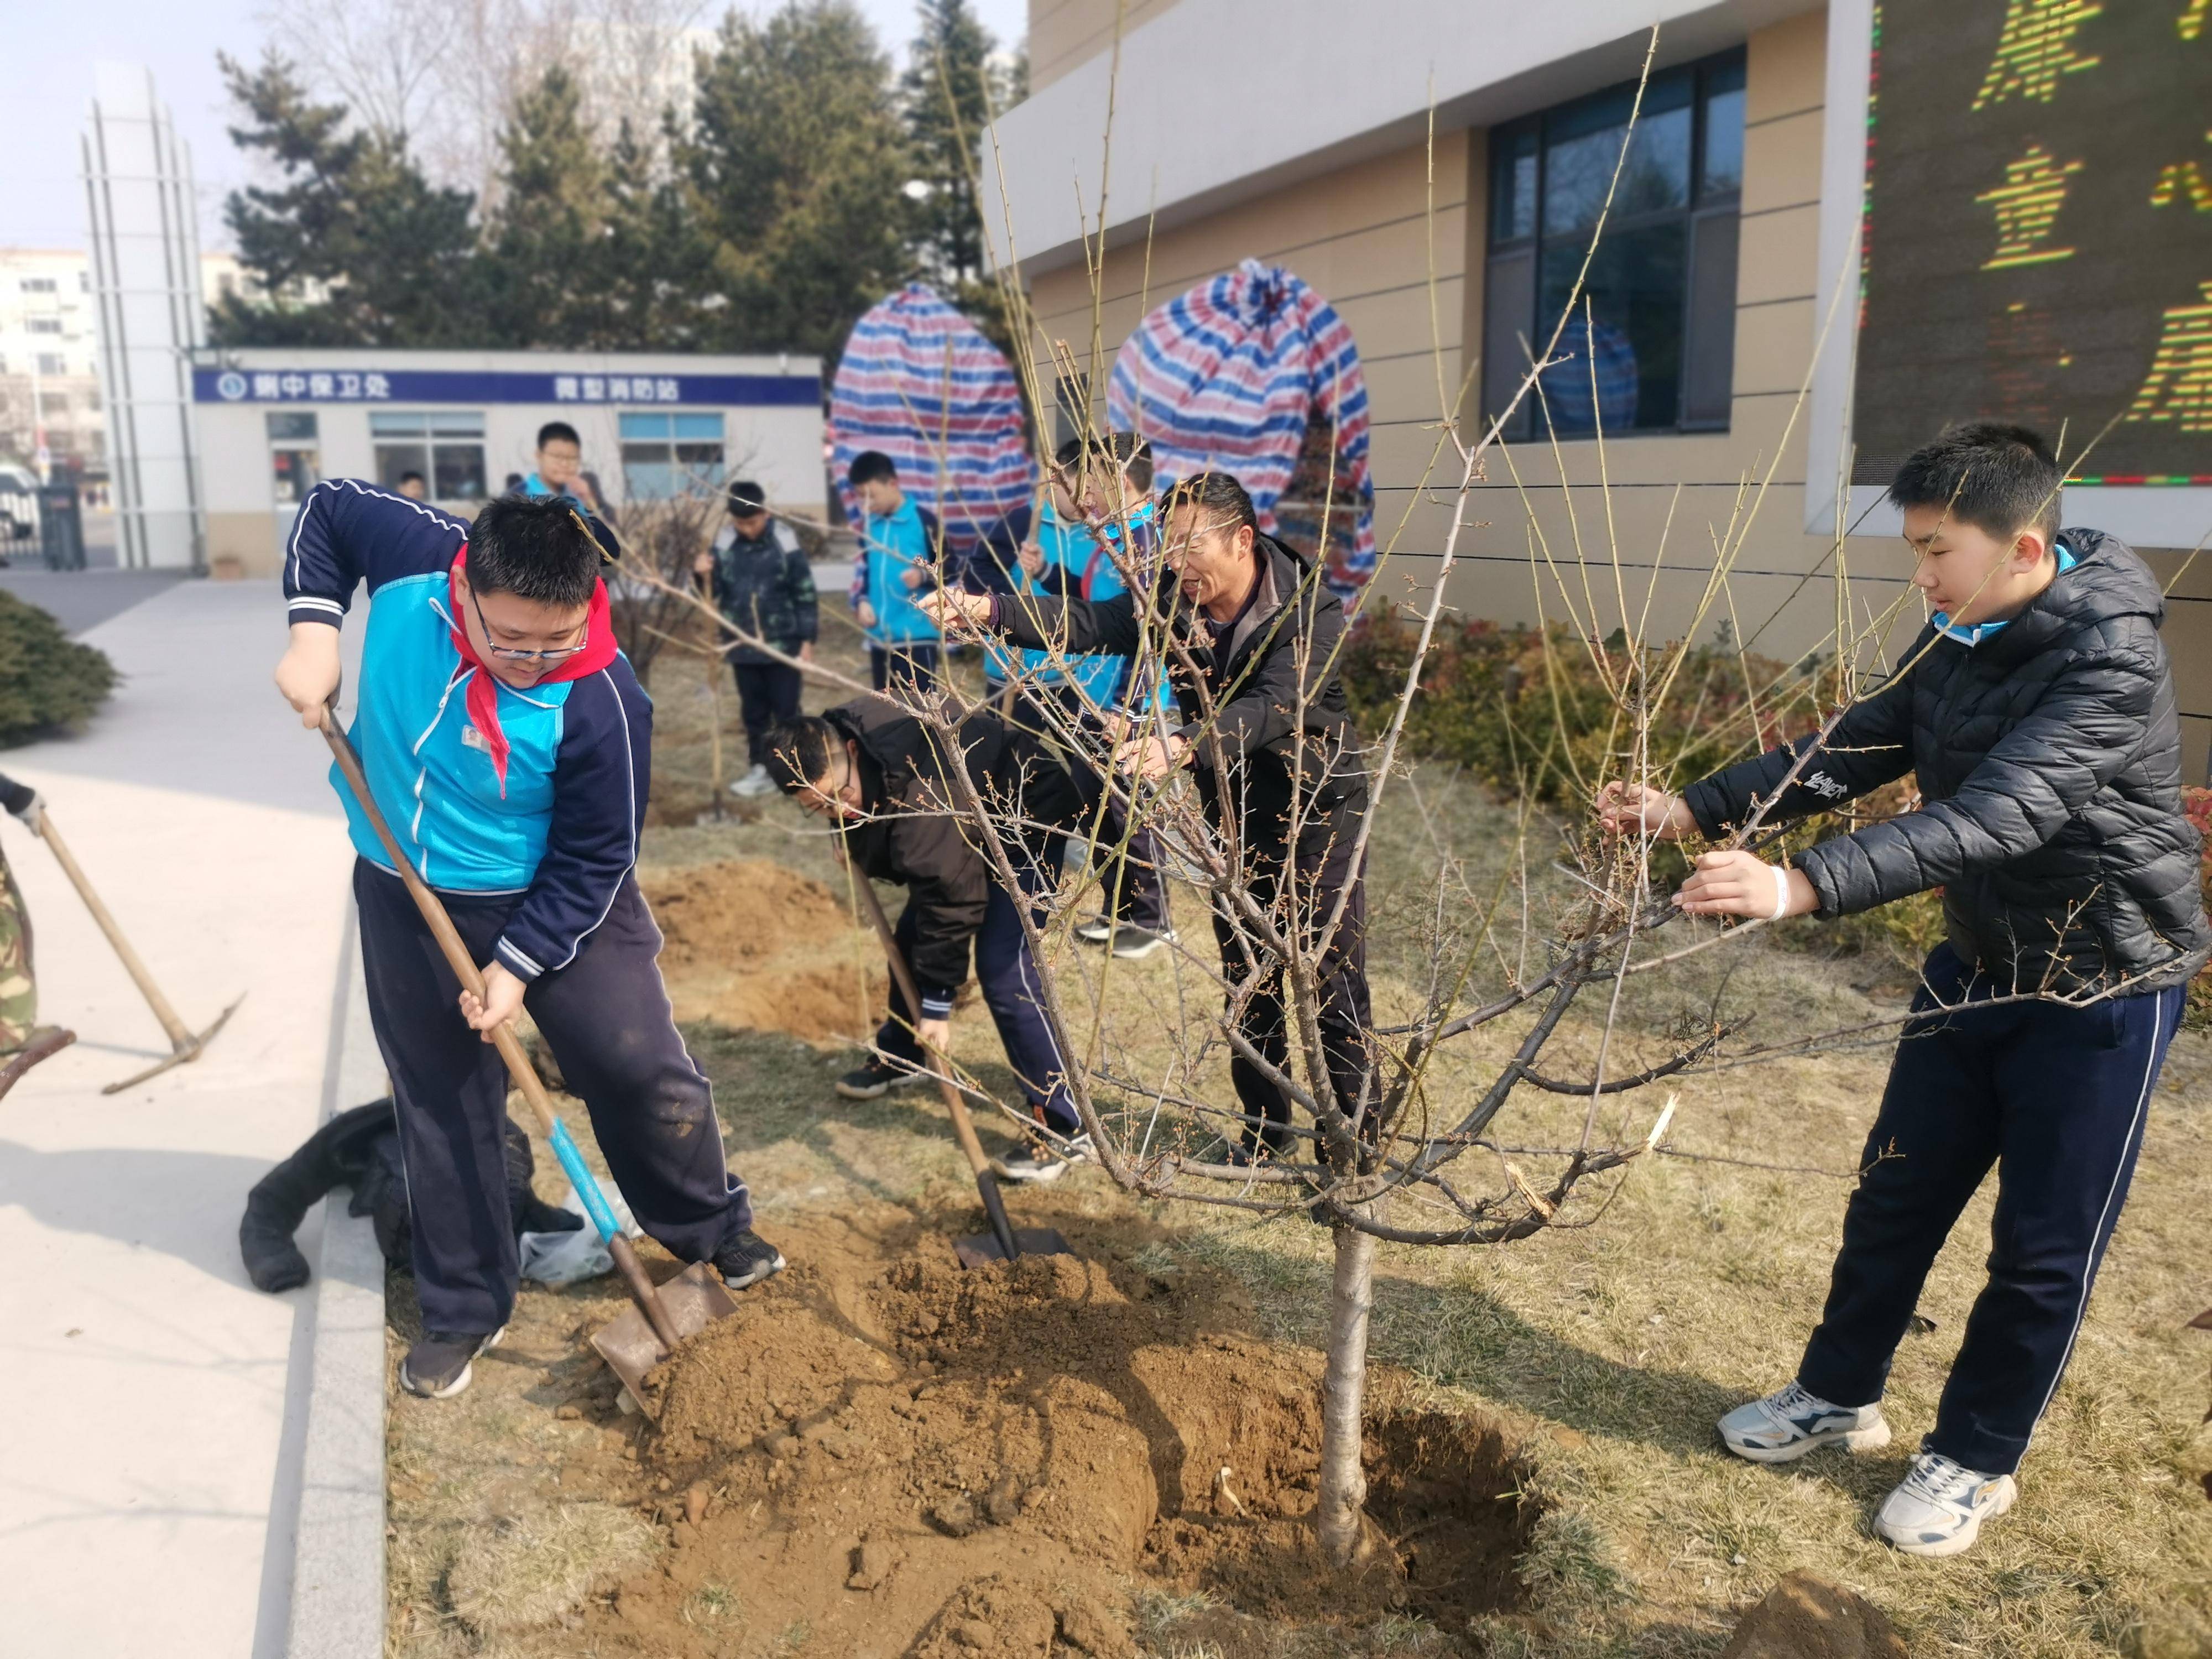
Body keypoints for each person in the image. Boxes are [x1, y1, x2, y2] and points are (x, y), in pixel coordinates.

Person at [1596, 423, 2210, 1558]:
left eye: (1935, 551)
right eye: (1915, 551)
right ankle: (1837, 1394)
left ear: (2021, 547)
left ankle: (1975, 1457)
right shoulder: (1958, 627)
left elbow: (1997, 815)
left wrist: (1800, 887)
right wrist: (1696, 805)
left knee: (2038, 1250)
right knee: (1894, 1192)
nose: (1918, 575)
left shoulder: (2108, 663)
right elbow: (1861, 744)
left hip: (2097, 992)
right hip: (1973, 966)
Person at [272, 480, 782, 1400]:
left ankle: (710, 1227)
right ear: (464, 586)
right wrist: (314, 631)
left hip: (555, 901)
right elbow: (327, 508)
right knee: (441, 1100)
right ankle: (466, 1304)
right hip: (405, 890)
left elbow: (596, 859)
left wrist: (515, 965)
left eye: (556, 640)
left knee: (639, 1067)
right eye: (510, 640)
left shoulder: (602, 700)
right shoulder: (416, 557)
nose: (532, 661)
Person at [924, 469, 1375, 1163]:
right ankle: (1264, 1134)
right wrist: (990, 611)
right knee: (1247, 978)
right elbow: (1093, 624)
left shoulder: (1309, 610)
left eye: (1190, 546)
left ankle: (1351, 1148)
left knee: (1330, 980)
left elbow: (1276, 706)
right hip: (1234, 816)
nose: (1175, 563)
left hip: (1318, 816)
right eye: (1166, 547)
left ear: (1242, 541)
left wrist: (1183, 744)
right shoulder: (1173, 598)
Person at [763, 698, 1090, 1181]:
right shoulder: (840, 747)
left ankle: (1063, 1125)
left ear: (852, 751)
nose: (835, 811)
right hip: (962, 821)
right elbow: (882, 821)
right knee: (912, 934)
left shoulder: (920, 800)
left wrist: (937, 1006)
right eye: (817, 808)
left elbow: (952, 900)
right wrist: (846, 829)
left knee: (1005, 970)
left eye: (838, 797)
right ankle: (904, 1055)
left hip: (1023, 815)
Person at [1008, 433, 1175, 959]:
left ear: (1117, 478)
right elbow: (1089, 608)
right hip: (1093, 693)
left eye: (1088, 483)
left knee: (1128, 813)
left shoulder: (1147, 542)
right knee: (1101, 812)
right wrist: (1048, 574)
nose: (1082, 498)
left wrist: (1126, 709)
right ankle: (1119, 911)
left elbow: (1149, 634)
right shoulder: (1110, 539)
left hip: (1127, 707)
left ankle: (1151, 920)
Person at [692, 480, 817, 798]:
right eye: (740, 523)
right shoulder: (725, 543)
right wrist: (702, 574)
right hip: (741, 645)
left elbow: (804, 592)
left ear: (764, 513)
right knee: (754, 711)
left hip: (783, 644)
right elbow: (713, 592)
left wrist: (807, 639)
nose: (746, 529)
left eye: (752, 521)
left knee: (787, 711)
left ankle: (795, 771)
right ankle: (761, 768)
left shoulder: (784, 542)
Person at [846, 451, 944, 694]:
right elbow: (864, 572)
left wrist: (924, 576)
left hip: (917, 636)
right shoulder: (870, 525)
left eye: (872, 496)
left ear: (893, 484)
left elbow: (950, 571)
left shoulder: (925, 521)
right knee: (888, 706)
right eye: (861, 498)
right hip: (881, 636)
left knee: (923, 708)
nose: (867, 504)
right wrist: (863, 601)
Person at [521, 421, 609, 520]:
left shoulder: (576, 499)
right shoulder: (519, 499)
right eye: (557, 456)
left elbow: (602, 535)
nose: (565, 464)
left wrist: (589, 502)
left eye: (572, 458)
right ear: (539, 455)